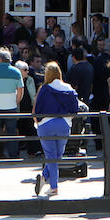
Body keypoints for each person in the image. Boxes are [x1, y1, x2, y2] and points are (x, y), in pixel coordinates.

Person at [33, 61, 81, 198]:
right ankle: (45, 179)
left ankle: (52, 185)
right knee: (57, 156)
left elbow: (37, 110)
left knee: (51, 156)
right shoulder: (69, 88)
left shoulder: (44, 88)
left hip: (46, 124)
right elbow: (75, 109)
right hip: (64, 124)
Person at [0, 48, 24, 160]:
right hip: (11, 107)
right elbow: (20, 91)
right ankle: (13, 155)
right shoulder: (16, 72)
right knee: (11, 132)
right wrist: (15, 102)